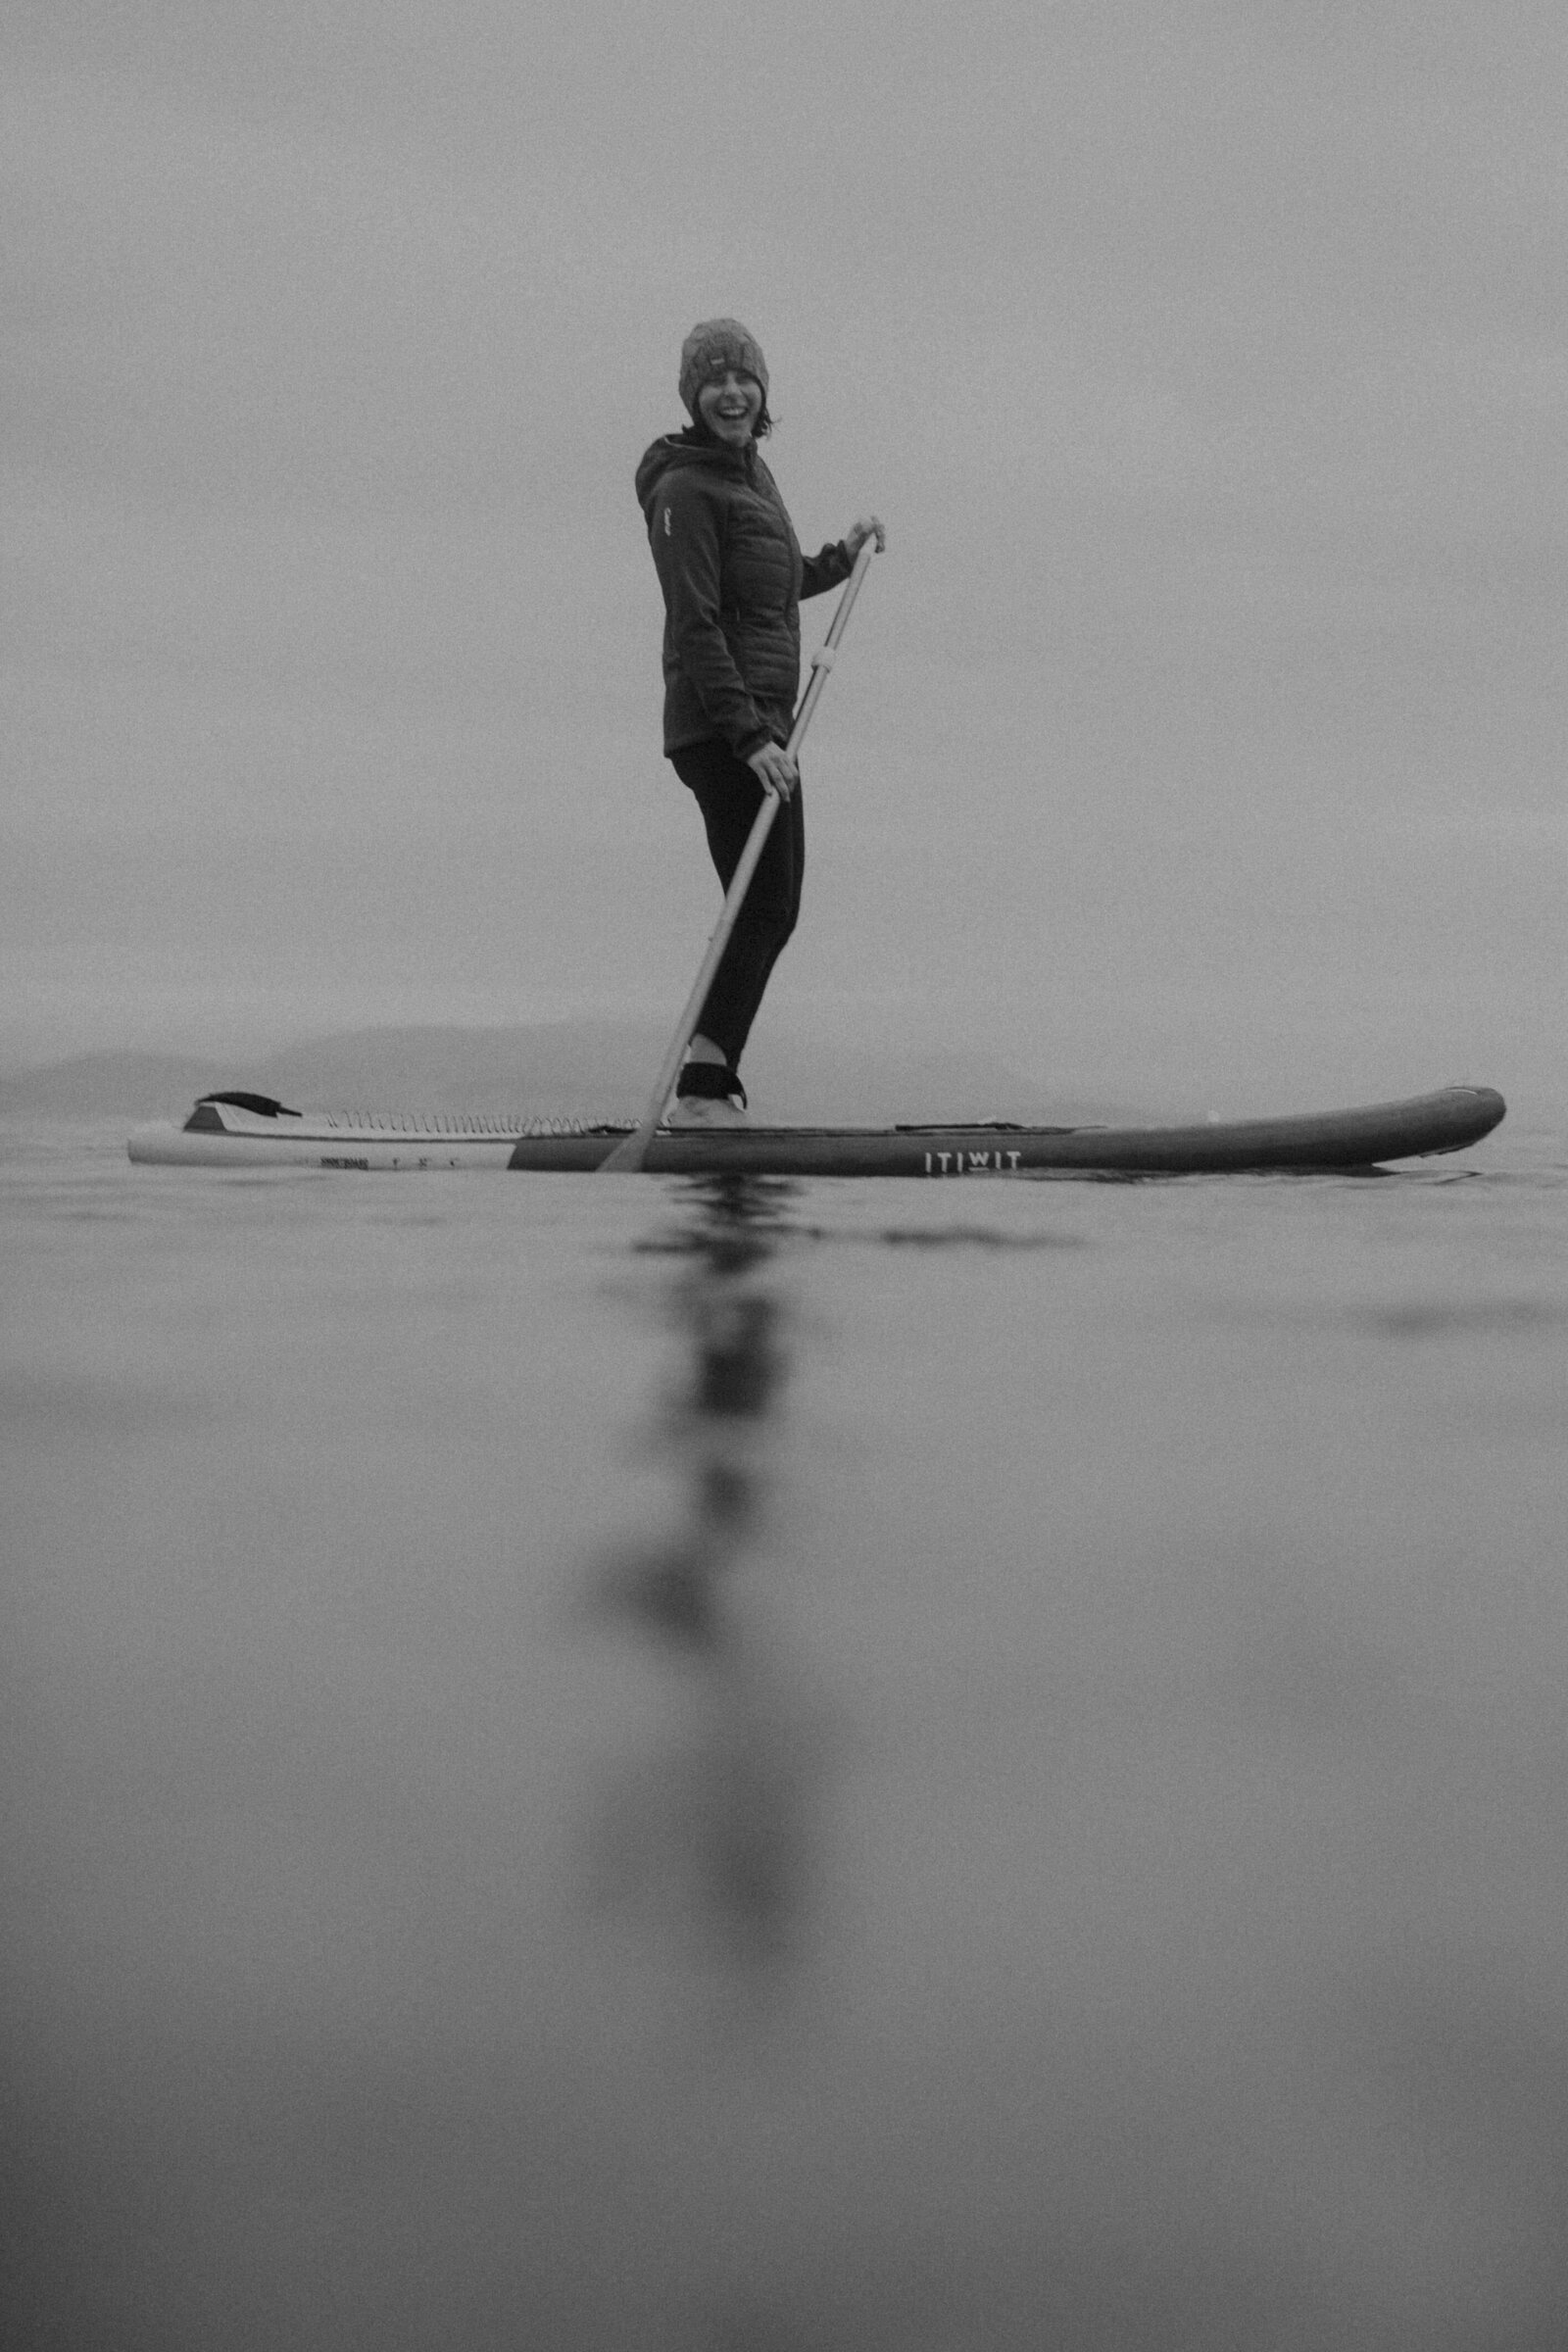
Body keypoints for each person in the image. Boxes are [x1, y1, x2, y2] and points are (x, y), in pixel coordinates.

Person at [635, 318, 884, 1126]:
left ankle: (710, 1081)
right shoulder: (684, 492)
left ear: (762, 391)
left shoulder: (750, 478)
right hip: (723, 730)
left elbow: (768, 593)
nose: (732, 393)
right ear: (693, 397)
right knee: (765, 907)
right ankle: (703, 1091)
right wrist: (747, 737)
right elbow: (698, 621)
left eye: (744, 379)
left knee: (769, 909)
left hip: (764, 727)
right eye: (714, 382)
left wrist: (838, 562)